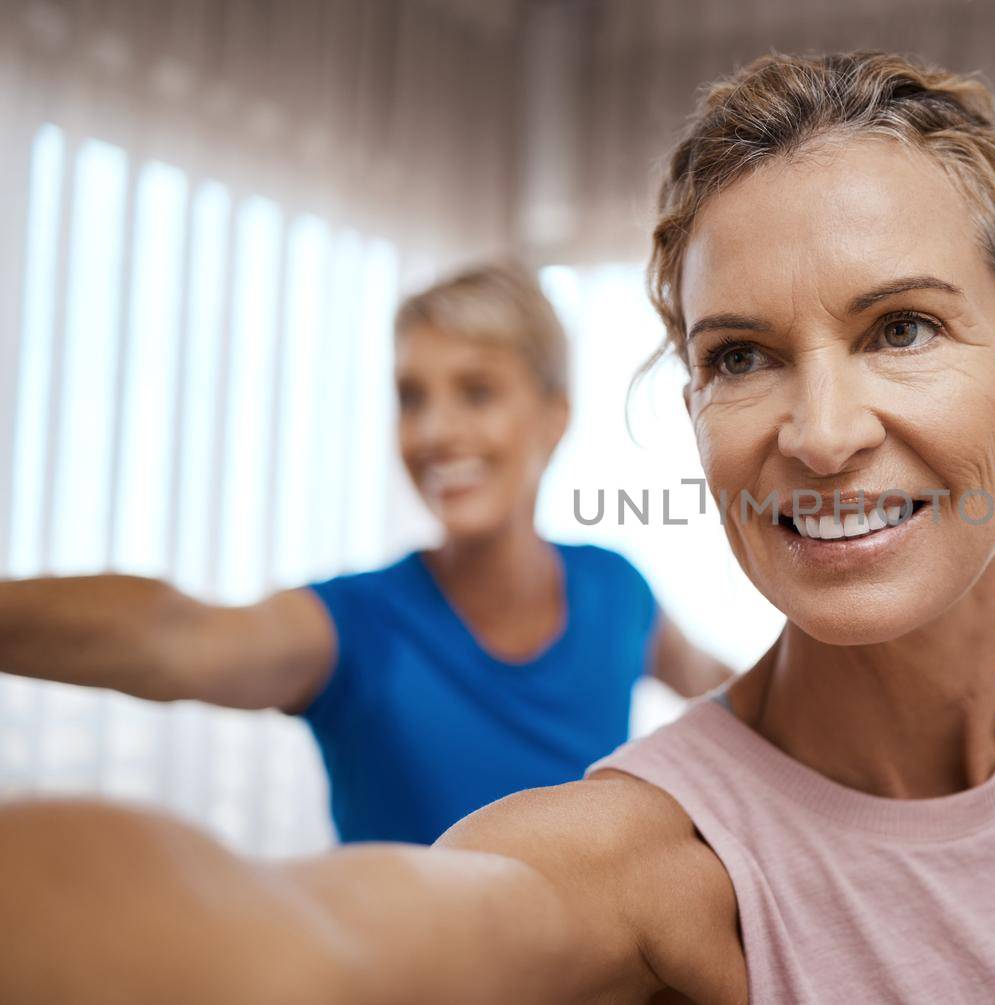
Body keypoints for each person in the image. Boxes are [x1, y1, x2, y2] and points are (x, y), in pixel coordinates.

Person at [0, 52, 995, 1003]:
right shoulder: (643, 868)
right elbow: (312, 941)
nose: (823, 428)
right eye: (738, 355)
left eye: (903, 327)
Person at [0, 262, 730, 845]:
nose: (435, 431)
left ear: (553, 417)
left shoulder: (616, 590)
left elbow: (733, 695)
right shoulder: (355, 623)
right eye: (412, 397)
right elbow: (178, 634)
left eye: (476, 392)